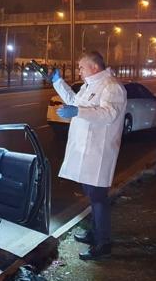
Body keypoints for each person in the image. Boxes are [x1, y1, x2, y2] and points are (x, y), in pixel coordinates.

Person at [50, 51, 127, 260]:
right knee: (92, 197)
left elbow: (109, 114)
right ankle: (94, 233)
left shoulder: (112, 87)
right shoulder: (90, 85)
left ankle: (103, 243)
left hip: (98, 153)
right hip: (85, 151)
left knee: (98, 198)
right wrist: (58, 82)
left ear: (94, 67)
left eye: (81, 67)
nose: (79, 71)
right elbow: (75, 101)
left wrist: (77, 113)